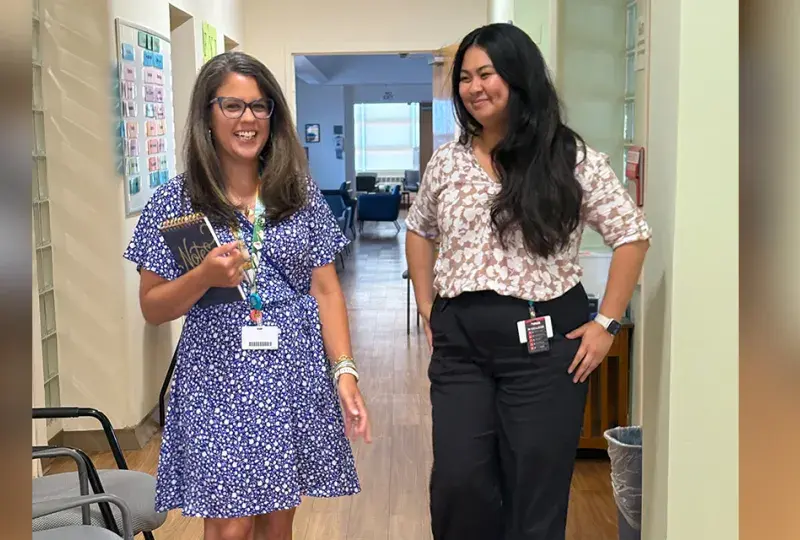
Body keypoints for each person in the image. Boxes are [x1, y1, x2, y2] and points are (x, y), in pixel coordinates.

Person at [405, 23, 652, 540]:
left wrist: (605, 323)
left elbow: (631, 235)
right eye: (466, 78)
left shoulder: (569, 158)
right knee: (458, 482)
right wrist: (428, 305)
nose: (474, 88)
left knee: (535, 489)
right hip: (462, 345)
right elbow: (419, 230)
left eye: (487, 74)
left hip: (545, 346)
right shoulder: (447, 162)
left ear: (519, 78)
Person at [124, 51, 371, 540]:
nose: (248, 119)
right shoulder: (178, 199)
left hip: (290, 370)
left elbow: (325, 289)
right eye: (232, 106)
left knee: (278, 521)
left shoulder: (297, 192)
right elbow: (153, 307)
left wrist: (344, 372)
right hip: (217, 374)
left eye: (260, 107)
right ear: (207, 114)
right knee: (230, 525)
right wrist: (203, 279)